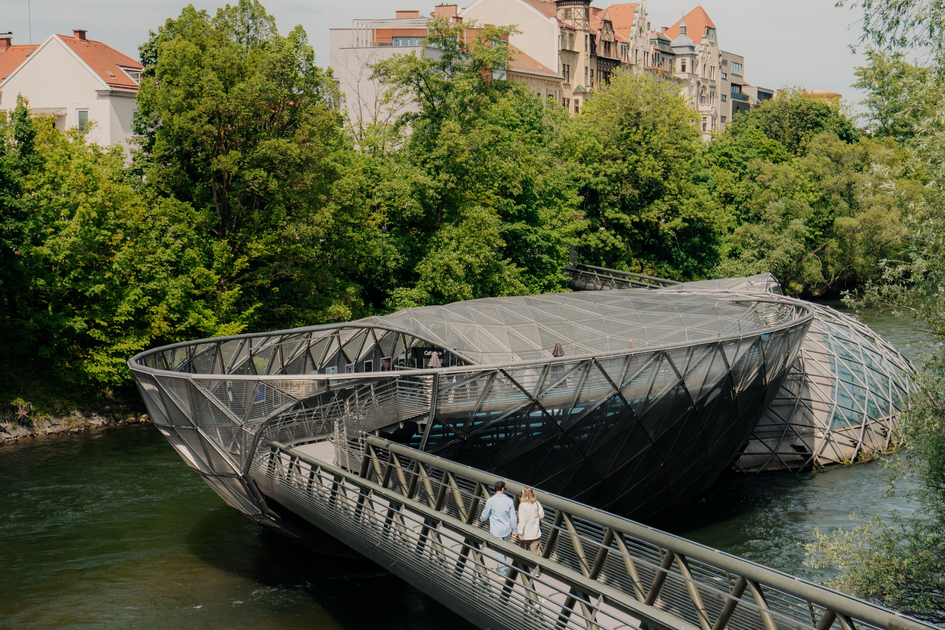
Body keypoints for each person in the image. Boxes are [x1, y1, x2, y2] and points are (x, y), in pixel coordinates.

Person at [480, 480, 517, 578]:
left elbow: (485, 513)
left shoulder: (491, 500)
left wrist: (483, 519)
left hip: (496, 530)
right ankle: (502, 568)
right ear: (503, 488)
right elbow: (513, 517)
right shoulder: (509, 500)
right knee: (503, 551)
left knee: (499, 552)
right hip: (507, 530)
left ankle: (502, 574)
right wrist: (514, 530)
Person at [517, 486, 544, 556]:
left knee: (523, 551)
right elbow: (542, 515)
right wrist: (535, 519)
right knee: (534, 551)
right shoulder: (536, 503)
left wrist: (520, 533)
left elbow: (522, 521)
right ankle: (536, 565)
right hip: (535, 532)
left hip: (525, 533)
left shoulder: (522, 505)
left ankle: (523, 566)